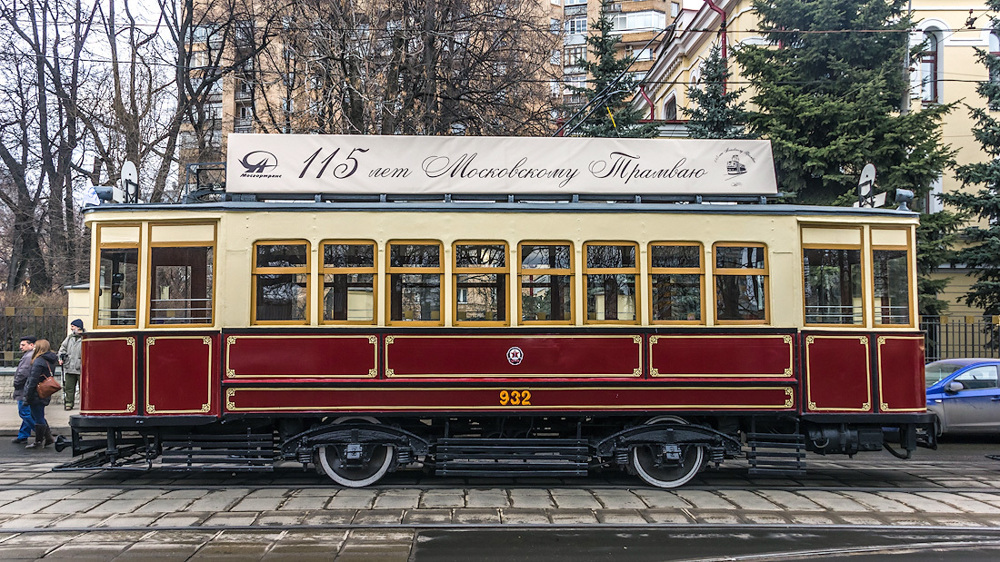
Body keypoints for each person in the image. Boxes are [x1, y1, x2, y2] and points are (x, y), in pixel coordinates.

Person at [23, 339, 58, 449]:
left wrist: (27, 396)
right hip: (45, 390)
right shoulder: (50, 360)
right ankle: (48, 438)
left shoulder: (38, 361)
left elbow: (33, 380)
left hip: (36, 392)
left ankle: (38, 441)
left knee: (38, 417)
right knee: (38, 415)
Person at [11, 336, 36, 444]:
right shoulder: (31, 355)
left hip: (23, 389)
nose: (20, 347)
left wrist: (16, 383)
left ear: (31, 345)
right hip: (28, 388)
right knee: (27, 412)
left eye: (23, 345)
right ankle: (23, 435)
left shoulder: (28, 356)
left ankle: (43, 433)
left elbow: (23, 373)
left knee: (24, 412)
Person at [58, 319, 84, 410]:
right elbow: (63, 348)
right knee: (69, 387)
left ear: (78, 327)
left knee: (83, 388)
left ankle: (83, 404)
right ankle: (69, 403)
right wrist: (61, 357)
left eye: (73, 326)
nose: (71, 328)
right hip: (69, 366)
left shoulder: (85, 338)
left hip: (81, 367)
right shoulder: (69, 338)